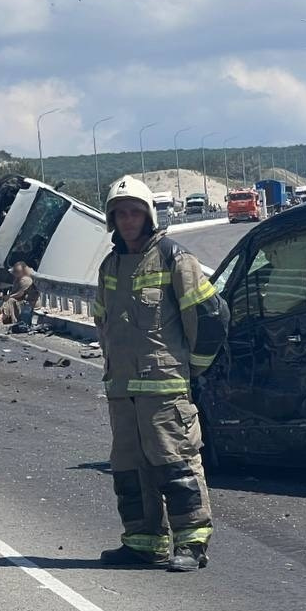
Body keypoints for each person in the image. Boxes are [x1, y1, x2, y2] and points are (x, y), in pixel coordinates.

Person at [94, 175, 227, 572]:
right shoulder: (111, 265)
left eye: (134, 212)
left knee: (176, 463)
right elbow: (103, 324)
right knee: (129, 470)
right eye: (121, 214)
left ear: (148, 215)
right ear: (112, 220)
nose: (128, 220)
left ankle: (192, 543)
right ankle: (143, 542)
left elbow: (209, 317)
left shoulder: (173, 258)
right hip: (122, 393)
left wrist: (193, 369)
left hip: (164, 390)